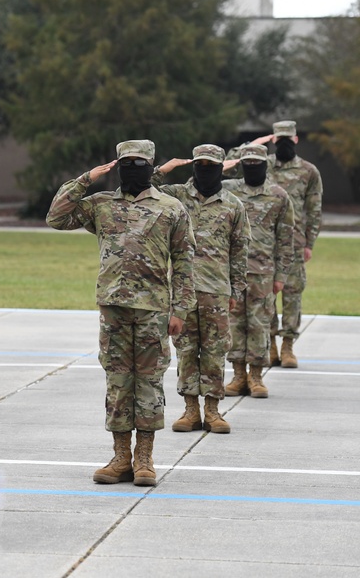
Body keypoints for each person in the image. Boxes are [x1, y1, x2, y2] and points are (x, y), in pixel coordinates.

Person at [47, 139, 195, 487]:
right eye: (125, 162)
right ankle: (120, 458)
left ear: (151, 164)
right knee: (117, 382)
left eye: (139, 162)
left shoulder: (171, 208)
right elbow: (57, 217)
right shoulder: (101, 205)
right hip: (113, 308)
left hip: (153, 310)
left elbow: (186, 262)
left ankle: (144, 459)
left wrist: (182, 309)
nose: (132, 167)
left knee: (149, 382)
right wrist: (86, 179)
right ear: (116, 164)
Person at [152, 145, 249, 434]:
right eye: (200, 164)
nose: (205, 170)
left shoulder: (233, 205)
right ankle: (190, 410)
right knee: (185, 350)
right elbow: (145, 187)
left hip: (218, 291)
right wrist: (165, 169)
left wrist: (236, 291)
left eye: (211, 165)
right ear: (193, 166)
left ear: (221, 168)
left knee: (215, 351)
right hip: (183, 290)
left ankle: (213, 410)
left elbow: (240, 250)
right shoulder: (178, 196)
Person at [228, 121, 322, 368]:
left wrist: (309, 243)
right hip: (261, 247)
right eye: (278, 139)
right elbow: (227, 166)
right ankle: (269, 344)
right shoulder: (261, 163)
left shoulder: (308, 171)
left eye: (287, 139)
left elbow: (314, 209)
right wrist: (252, 145)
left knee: (292, 294)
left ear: (296, 139)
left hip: (295, 243)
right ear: (272, 139)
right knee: (265, 298)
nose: (283, 143)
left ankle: (288, 345)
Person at [221, 144, 294, 400]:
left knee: (260, 325)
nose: (252, 168)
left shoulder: (279, 195)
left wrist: (281, 275)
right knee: (234, 325)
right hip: (231, 272)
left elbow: (286, 239)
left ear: (265, 164)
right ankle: (238, 375)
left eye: (256, 164)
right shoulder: (228, 191)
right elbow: (195, 183)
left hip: (263, 274)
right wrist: (225, 164)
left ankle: (256, 376)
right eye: (247, 164)